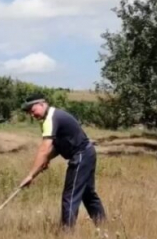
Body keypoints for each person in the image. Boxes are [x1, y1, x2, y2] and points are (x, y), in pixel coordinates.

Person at [19, 93, 106, 229]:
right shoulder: (49, 118)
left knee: (70, 196)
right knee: (87, 194)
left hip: (81, 155)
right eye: (29, 112)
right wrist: (46, 159)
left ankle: (67, 235)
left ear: (41, 104)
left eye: (32, 110)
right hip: (87, 154)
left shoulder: (52, 118)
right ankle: (103, 226)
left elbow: (44, 148)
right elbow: (57, 147)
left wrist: (31, 175)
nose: (32, 114)